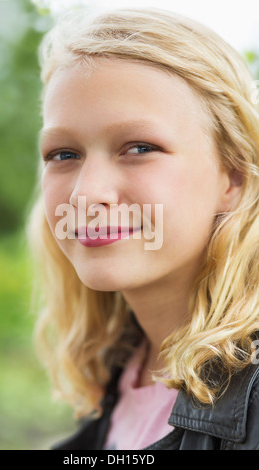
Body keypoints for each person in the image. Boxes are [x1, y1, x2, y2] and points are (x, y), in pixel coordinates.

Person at [27, 7, 259, 450]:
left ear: (233, 178)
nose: (86, 195)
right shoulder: (116, 378)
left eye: (139, 147)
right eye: (63, 154)